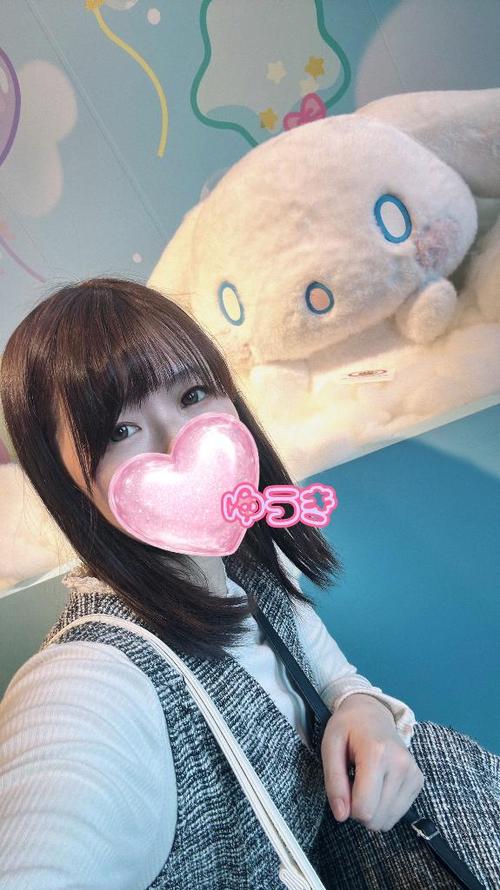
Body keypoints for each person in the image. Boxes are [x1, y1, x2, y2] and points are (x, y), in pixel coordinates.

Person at [0, 277, 498, 890]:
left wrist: (363, 709)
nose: (180, 442)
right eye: (118, 431)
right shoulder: (89, 680)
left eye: (193, 394)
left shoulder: (250, 563)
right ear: (62, 478)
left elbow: (332, 673)